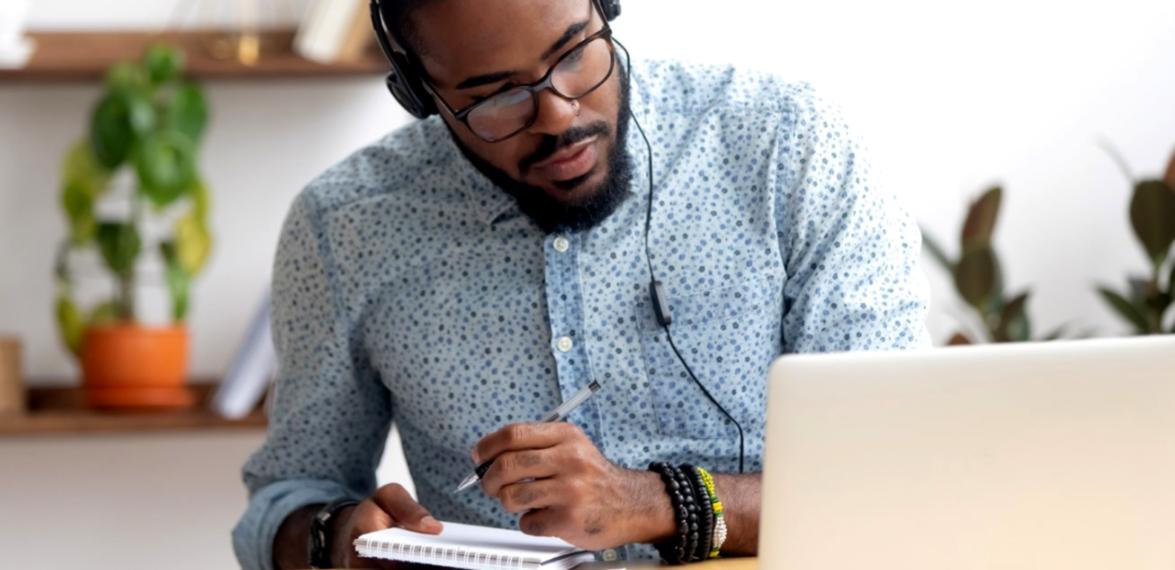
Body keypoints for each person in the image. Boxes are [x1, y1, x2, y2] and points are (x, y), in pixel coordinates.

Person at [232, 0, 931, 568]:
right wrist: (337, 540)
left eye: (572, 54)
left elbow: (896, 471)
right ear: (421, 96)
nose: (559, 114)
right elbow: (287, 499)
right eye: (496, 95)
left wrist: (652, 502)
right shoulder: (344, 225)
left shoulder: (787, 145)